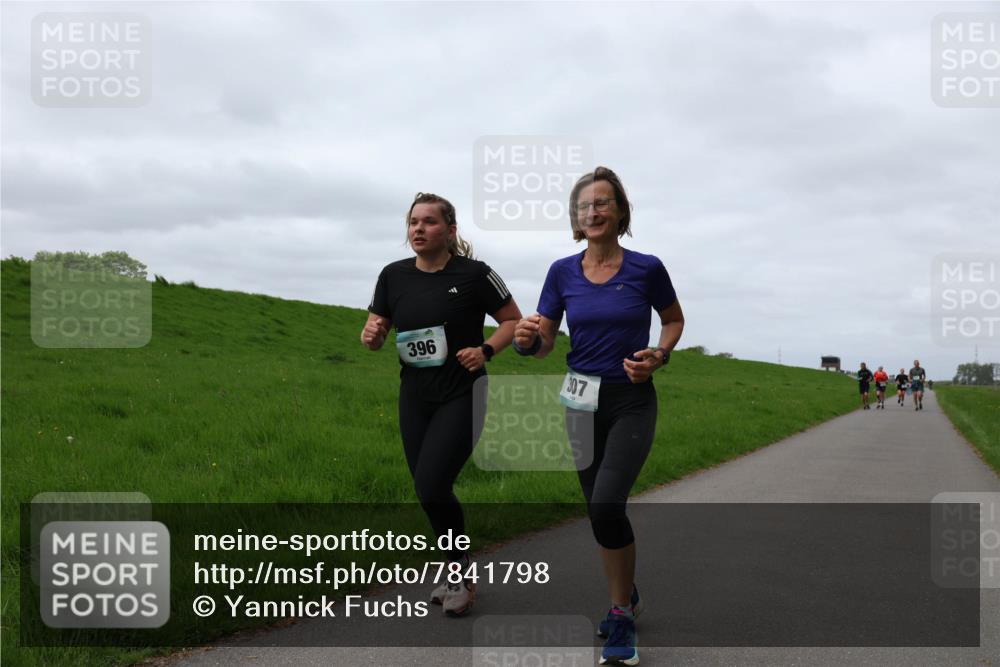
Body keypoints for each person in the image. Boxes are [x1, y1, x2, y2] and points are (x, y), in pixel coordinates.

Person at [513, 167, 684, 666]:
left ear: (621, 212)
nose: (593, 211)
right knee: (597, 509)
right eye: (585, 205)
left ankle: (620, 616)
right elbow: (543, 342)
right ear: (576, 217)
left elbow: (672, 320)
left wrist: (661, 352)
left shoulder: (647, 268)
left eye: (603, 203)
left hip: (631, 399)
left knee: (608, 503)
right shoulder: (561, 272)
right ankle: (625, 594)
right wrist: (526, 342)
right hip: (579, 401)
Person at [361, 192, 522, 616]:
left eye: (429, 222)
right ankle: (457, 569)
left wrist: (485, 350)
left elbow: (513, 321)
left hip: (463, 392)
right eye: (413, 222)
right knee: (428, 490)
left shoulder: (475, 274)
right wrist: (373, 336)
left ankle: (459, 574)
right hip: (414, 396)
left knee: (432, 484)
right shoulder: (392, 276)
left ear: (450, 231)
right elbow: (379, 328)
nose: (418, 229)